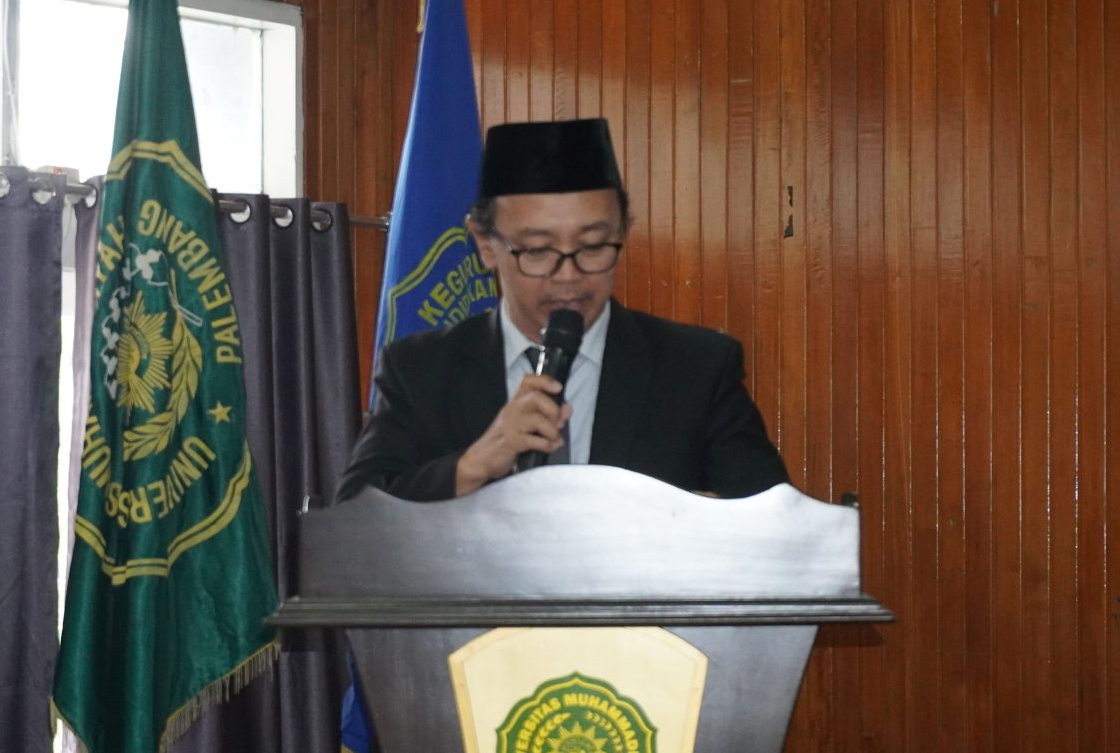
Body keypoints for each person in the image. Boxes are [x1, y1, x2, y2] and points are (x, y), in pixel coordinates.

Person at [335, 117, 788, 502]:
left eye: (592, 247)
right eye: (537, 251)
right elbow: (350, 524)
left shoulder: (697, 369)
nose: (568, 276)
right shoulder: (420, 370)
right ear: (486, 244)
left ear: (621, 234)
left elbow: (774, 527)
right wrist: (470, 467)